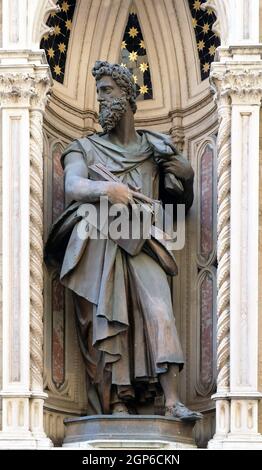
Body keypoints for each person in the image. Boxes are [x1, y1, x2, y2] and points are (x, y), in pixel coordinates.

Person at [45, 61, 202, 421]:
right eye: (97, 92)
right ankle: (115, 402)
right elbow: (73, 186)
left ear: (128, 95)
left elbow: (177, 207)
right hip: (102, 242)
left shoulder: (156, 149)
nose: (100, 99)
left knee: (160, 310)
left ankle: (172, 400)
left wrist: (187, 178)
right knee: (105, 323)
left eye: (107, 91)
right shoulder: (82, 148)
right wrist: (108, 188)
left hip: (144, 240)